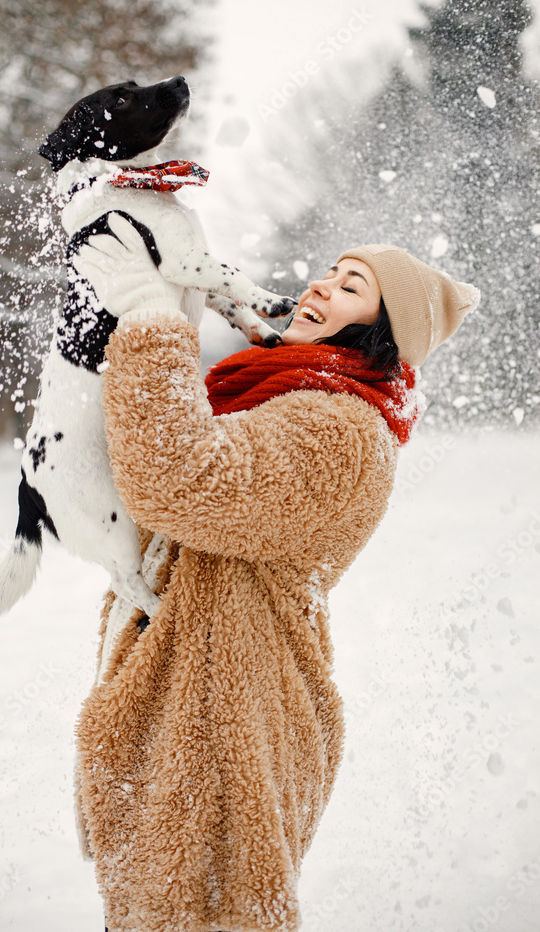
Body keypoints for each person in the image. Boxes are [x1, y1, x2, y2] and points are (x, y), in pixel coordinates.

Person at [72, 217, 480, 932]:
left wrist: (149, 319)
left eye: (353, 285)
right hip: (186, 723)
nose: (323, 282)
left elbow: (182, 477)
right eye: (330, 270)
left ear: (379, 331)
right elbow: (136, 481)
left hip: (227, 737)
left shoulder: (339, 430)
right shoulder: (276, 398)